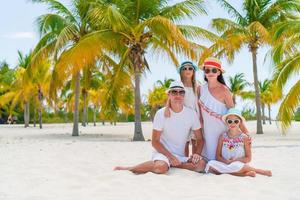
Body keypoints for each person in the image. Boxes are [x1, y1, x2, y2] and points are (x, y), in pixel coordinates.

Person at [114, 81, 206, 174]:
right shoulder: (160, 114)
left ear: (184, 95)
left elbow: (200, 139)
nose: (178, 95)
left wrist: (196, 154)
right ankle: (129, 168)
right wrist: (170, 157)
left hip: (179, 156)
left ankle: (172, 164)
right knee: (161, 168)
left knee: (201, 165)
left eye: (181, 92)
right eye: (174, 92)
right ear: (169, 95)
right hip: (162, 155)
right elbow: (155, 141)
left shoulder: (191, 114)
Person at [198, 57, 248, 161]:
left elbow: (233, 113)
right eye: (207, 70)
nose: (210, 73)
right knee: (208, 159)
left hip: (221, 129)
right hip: (206, 130)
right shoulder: (201, 88)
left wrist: (245, 131)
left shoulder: (225, 90)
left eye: (214, 70)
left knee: (222, 159)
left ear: (219, 72)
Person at [205, 108, 272, 177]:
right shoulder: (222, 137)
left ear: (240, 122)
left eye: (236, 121)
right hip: (225, 164)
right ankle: (244, 174)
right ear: (226, 122)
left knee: (236, 165)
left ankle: (259, 171)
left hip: (238, 164)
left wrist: (235, 160)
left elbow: (248, 158)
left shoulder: (244, 138)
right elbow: (217, 156)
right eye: (230, 121)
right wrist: (226, 162)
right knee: (210, 164)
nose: (233, 123)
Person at [165, 61, 200, 157]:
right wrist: (167, 109)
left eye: (190, 68)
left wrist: (201, 117)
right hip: (182, 116)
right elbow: (170, 98)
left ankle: (194, 160)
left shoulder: (197, 86)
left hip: (195, 116)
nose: (187, 70)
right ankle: (184, 159)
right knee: (184, 141)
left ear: (193, 71)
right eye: (185, 69)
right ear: (181, 72)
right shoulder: (178, 85)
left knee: (195, 140)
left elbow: (199, 103)